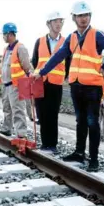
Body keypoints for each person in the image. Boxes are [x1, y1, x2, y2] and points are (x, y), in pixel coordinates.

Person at [32, 1, 104, 171]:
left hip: (93, 87)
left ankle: (94, 159)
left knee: (92, 122)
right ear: (74, 18)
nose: (84, 19)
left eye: (86, 15)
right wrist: (43, 72)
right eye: (80, 16)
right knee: (80, 121)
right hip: (76, 85)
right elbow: (58, 57)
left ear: (90, 17)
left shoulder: (97, 35)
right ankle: (79, 153)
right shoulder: (72, 37)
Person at [31, 11, 71, 154]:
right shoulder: (39, 41)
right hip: (40, 81)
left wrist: (65, 76)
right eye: (55, 21)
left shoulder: (67, 42)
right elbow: (35, 61)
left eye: (60, 21)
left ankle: (52, 145)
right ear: (49, 24)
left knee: (52, 114)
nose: (58, 24)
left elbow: (69, 62)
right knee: (41, 114)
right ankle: (45, 143)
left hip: (56, 83)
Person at [0, 22, 32, 139]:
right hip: (6, 84)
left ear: (9, 34)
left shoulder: (20, 48)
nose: (3, 36)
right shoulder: (6, 49)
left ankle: (21, 133)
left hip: (16, 85)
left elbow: (27, 67)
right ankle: (7, 128)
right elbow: (4, 65)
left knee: (18, 109)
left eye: (4, 34)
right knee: (7, 108)